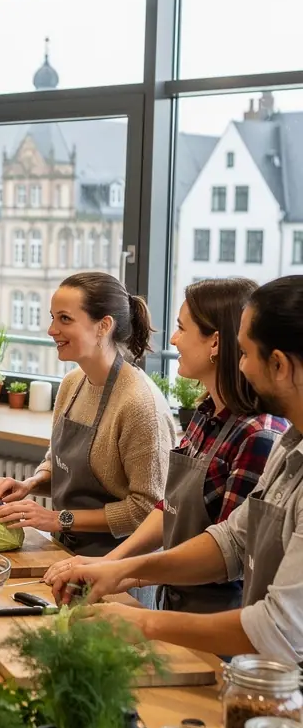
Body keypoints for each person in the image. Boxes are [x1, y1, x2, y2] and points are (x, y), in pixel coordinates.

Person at [49, 276, 303, 663]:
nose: (243, 365)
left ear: (280, 364)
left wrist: (143, 619)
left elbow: (276, 628)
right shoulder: (287, 447)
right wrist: (114, 569)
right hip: (194, 620)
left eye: (247, 353)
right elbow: (230, 541)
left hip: (244, 652)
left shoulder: (264, 435)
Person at [0, 272, 175, 556]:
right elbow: (59, 462)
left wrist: (58, 519)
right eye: (52, 317)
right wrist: (30, 484)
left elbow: (147, 508)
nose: (51, 329)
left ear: (104, 326)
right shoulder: (72, 383)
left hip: (119, 564)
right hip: (68, 551)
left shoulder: (139, 404)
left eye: (65, 319)